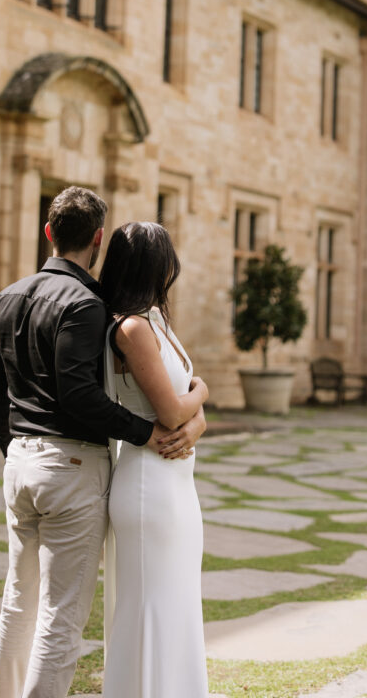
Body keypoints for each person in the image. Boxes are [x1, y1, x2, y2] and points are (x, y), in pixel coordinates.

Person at [0, 187, 204, 698]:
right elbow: (81, 395)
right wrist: (148, 432)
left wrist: (13, 448)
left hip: (19, 463)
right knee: (61, 615)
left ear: (48, 232)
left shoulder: (6, 296)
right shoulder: (86, 305)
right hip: (70, 465)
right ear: (98, 239)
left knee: (19, 601)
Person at [99, 221, 210, 698]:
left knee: (179, 602)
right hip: (148, 486)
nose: (170, 271)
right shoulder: (131, 328)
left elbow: (187, 408)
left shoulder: (157, 322)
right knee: (149, 606)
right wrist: (202, 393)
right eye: (164, 261)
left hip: (178, 483)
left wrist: (198, 416)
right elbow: (170, 407)